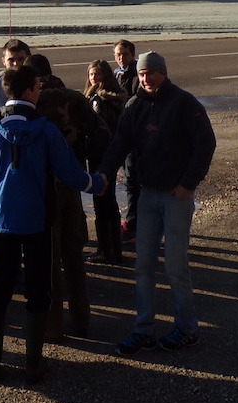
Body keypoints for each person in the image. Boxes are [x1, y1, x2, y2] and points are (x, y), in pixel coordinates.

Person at [0, 65, 106, 384]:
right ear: (30, 91)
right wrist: (97, 183)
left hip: (3, 221)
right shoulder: (46, 130)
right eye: (37, 87)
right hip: (38, 222)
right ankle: (33, 364)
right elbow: (69, 173)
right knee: (38, 290)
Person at [98, 51, 216, 356]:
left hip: (176, 197)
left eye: (151, 73)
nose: (146, 79)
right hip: (147, 196)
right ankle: (144, 330)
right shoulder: (134, 106)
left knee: (175, 267)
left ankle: (187, 329)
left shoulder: (183, 103)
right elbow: (120, 143)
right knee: (143, 266)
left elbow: (206, 144)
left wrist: (188, 183)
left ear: (163, 72)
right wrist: (104, 174)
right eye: (141, 74)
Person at [26, 54, 110, 339]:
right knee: (74, 256)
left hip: (41, 188)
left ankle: (53, 325)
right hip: (71, 185)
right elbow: (102, 133)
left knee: (48, 259)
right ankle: (81, 319)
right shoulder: (75, 99)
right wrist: (83, 159)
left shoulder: (31, 101)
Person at [84, 60, 126, 264]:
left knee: (102, 202)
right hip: (109, 154)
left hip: (100, 155)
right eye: (92, 74)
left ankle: (106, 249)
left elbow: (96, 128)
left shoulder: (99, 99)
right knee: (108, 201)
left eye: (98, 74)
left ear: (106, 76)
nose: (94, 78)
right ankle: (113, 249)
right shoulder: (113, 97)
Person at [112, 38, 140, 245]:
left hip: (133, 136)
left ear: (132, 55)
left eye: (124, 54)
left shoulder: (137, 76)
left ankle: (133, 225)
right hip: (118, 135)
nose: (121, 58)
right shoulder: (115, 74)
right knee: (127, 179)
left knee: (132, 180)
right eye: (117, 54)